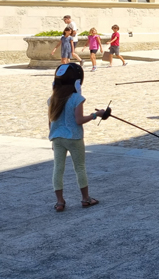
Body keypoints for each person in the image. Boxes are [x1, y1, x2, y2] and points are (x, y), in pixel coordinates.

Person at [48, 63, 106, 211]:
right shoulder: (76, 98)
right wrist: (95, 115)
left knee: (58, 169)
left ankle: (60, 201)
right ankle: (85, 198)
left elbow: (51, 121)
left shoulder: (52, 98)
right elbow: (79, 120)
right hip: (74, 137)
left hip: (57, 137)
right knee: (79, 167)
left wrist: (53, 139)